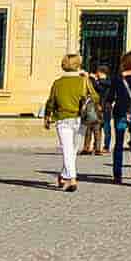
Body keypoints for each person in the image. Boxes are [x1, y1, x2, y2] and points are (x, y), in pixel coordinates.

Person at [44, 53, 96, 192]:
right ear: (79, 65)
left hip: (63, 118)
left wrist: (47, 116)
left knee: (67, 150)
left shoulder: (58, 83)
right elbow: (95, 98)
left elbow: (51, 102)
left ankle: (70, 178)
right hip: (80, 119)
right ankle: (66, 176)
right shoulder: (83, 81)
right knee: (72, 151)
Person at [110, 51, 131, 183]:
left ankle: (117, 174)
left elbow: (110, 97)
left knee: (118, 143)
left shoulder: (117, 78)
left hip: (120, 112)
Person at [84, 66, 109, 157]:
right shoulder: (100, 82)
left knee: (97, 128)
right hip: (95, 106)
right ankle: (87, 147)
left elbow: (99, 89)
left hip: (101, 107)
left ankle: (97, 147)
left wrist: (92, 79)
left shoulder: (106, 82)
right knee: (90, 127)